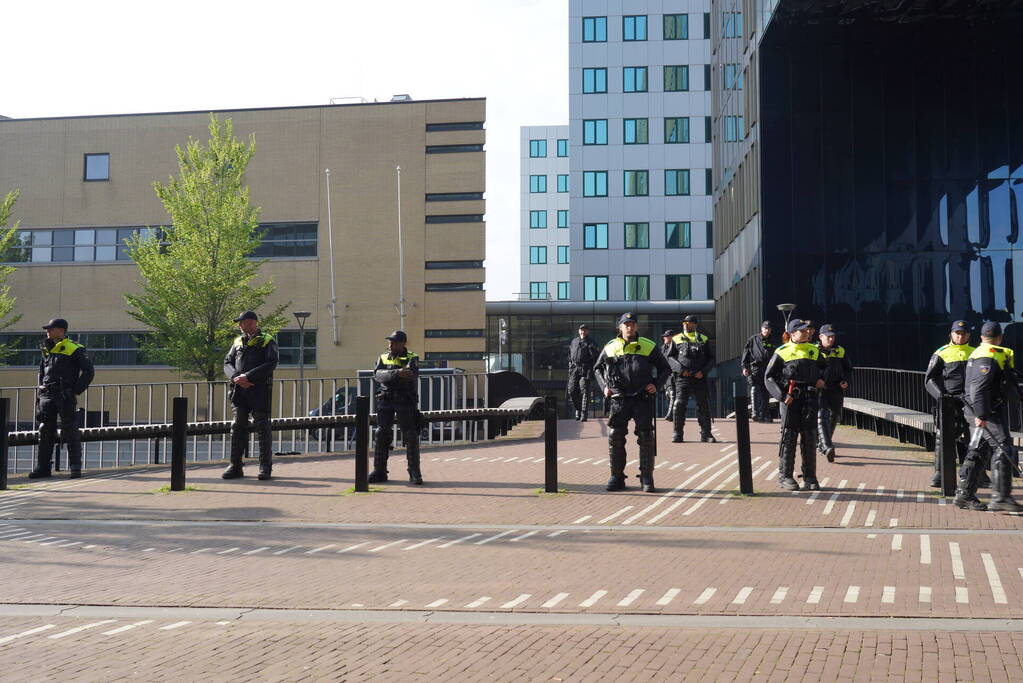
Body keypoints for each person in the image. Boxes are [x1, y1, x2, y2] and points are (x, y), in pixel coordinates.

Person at [593, 312, 673, 493]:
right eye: (626, 324)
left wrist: (656, 385)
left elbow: (665, 368)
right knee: (615, 436)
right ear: (620, 328)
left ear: (636, 327)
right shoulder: (611, 347)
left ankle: (646, 477)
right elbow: (596, 368)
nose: (629, 327)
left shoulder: (648, 346)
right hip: (619, 398)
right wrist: (605, 387)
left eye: (632, 324)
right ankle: (616, 476)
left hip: (642, 397)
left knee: (646, 437)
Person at [955, 322, 1023, 512]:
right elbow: (979, 388)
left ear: (981, 337)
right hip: (985, 412)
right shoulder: (989, 356)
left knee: (979, 449)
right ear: (1000, 337)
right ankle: (1001, 497)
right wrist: (982, 415)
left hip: (977, 410)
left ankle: (964, 495)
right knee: (1003, 446)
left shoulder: (983, 353)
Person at [764, 319, 827, 491]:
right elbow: (768, 377)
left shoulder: (814, 351)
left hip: (810, 399)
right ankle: (785, 476)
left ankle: (810, 477)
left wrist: (821, 380)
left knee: (809, 437)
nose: (806, 333)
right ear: (792, 334)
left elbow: (824, 369)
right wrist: (782, 396)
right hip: (790, 400)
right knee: (789, 437)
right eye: (802, 331)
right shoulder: (782, 352)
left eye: (807, 330)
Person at [29, 318, 95, 479]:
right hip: (47, 395)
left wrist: (75, 390)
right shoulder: (47, 348)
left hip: (64, 395)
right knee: (44, 430)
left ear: (61, 330)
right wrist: (40, 387)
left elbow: (88, 371)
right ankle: (43, 467)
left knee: (70, 429)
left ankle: (75, 467)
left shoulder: (74, 348)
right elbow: (42, 370)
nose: (47, 331)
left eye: (51, 328)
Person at [222, 311, 279, 480]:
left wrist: (248, 377)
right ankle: (235, 466)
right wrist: (236, 378)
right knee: (237, 426)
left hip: (258, 389)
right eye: (240, 323)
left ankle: (265, 467)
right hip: (239, 390)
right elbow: (227, 362)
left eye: (242, 322)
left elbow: (271, 363)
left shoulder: (267, 340)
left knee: (262, 426)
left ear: (252, 322)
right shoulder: (238, 341)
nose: (240, 325)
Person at [924, 320, 979, 488]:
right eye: (957, 333)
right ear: (951, 334)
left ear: (969, 334)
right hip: (950, 402)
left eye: (963, 333)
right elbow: (929, 379)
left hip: (971, 402)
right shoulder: (941, 353)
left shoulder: (977, 353)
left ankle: (977, 473)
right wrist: (942, 396)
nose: (960, 336)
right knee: (944, 437)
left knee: (975, 437)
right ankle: (940, 473)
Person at [369, 330, 423, 485]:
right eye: (390, 342)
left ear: (402, 343)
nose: (390, 345)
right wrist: (396, 373)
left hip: (405, 399)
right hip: (386, 399)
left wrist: (390, 377)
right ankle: (379, 471)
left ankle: (414, 471)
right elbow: (377, 375)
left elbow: (409, 377)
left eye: (394, 342)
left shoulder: (412, 357)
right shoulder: (383, 356)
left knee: (411, 434)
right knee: (381, 433)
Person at [669, 314, 716, 443]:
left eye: (688, 323)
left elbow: (711, 358)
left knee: (703, 405)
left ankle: (706, 434)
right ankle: (677, 433)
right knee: (679, 404)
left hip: (699, 378)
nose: (685, 324)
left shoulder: (703, 339)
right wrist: (680, 370)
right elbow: (670, 358)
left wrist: (703, 371)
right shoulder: (676, 338)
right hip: (683, 378)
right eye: (684, 323)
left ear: (695, 324)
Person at [816, 324, 853, 461]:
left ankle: (823, 443)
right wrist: (816, 380)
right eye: (828, 337)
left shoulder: (840, 351)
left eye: (833, 337)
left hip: (836, 389)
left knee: (834, 417)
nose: (831, 339)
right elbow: (809, 369)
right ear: (821, 337)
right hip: (820, 389)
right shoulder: (813, 350)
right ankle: (827, 446)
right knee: (822, 416)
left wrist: (846, 380)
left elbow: (848, 369)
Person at [741, 321, 776, 422]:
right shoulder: (753, 339)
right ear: (761, 329)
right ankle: (755, 413)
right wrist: (744, 367)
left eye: (768, 328)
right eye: (765, 328)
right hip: (755, 368)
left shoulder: (773, 340)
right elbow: (746, 353)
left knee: (766, 392)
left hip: (768, 369)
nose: (767, 330)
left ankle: (764, 414)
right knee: (755, 389)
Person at [567, 324, 599, 421]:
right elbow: (569, 354)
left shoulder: (591, 342)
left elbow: (596, 357)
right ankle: (578, 409)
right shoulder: (574, 341)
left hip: (586, 368)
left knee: (584, 390)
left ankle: (584, 414)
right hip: (574, 368)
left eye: (585, 330)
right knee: (571, 390)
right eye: (581, 330)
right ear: (579, 331)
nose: (583, 332)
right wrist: (570, 364)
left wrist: (591, 350)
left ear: (587, 331)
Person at [660, 329, 676, 421]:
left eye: (666, 336)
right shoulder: (663, 348)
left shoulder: (676, 347)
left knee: (673, 394)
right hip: (666, 375)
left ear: (671, 337)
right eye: (664, 336)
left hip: (675, 374)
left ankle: (670, 415)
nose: (664, 338)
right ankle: (674, 413)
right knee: (668, 395)